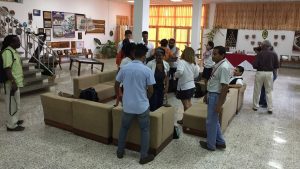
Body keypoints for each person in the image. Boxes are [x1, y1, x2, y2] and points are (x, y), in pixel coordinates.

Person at [115, 44, 156, 165]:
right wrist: (145, 99)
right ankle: (143, 156)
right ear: (144, 56)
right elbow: (151, 90)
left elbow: (116, 84)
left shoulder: (125, 68)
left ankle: (120, 152)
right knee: (144, 130)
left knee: (124, 128)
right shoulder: (147, 70)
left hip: (127, 105)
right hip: (142, 106)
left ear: (134, 54)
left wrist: (120, 97)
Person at [199, 46, 231, 151]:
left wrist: (219, 104)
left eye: (215, 54)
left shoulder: (224, 67)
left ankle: (211, 145)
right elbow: (214, 82)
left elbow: (225, 87)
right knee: (214, 120)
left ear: (222, 55)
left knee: (210, 122)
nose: (213, 56)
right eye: (213, 53)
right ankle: (220, 142)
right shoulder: (218, 64)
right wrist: (207, 94)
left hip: (216, 96)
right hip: (212, 94)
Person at [1, 35, 25, 131]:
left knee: (16, 103)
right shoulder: (7, 52)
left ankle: (14, 120)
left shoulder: (13, 52)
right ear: (11, 43)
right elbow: (7, 69)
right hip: (11, 83)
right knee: (12, 104)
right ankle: (11, 125)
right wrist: (13, 83)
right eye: (17, 41)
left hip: (16, 82)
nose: (19, 43)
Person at [252, 40, 279, 114]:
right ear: (269, 46)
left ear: (263, 46)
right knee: (269, 91)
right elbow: (276, 66)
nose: (260, 46)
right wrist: (275, 75)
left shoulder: (259, 54)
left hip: (260, 73)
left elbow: (254, 65)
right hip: (270, 73)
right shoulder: (274, 54)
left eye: (261, 45)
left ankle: (255, 107)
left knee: (257, 90)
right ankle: (270, 108)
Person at [175, 47, 200, 125]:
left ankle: (189, 121)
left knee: (186, 105)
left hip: (184, 86)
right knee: (189, 103)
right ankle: (185, 119)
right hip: (191, 85)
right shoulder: (194, 63)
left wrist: (175, 75)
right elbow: (196, 74)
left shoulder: (182, 62)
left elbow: (180, 72)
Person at [147, 47, 170, 111]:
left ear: (163, 56)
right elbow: (146, 77)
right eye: (157, 56)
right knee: (153, 104)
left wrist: (167, 87)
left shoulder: (166, 64)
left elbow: (167, 77)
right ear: (155, 56)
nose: (159, 57)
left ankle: (158, 119)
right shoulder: (150, 64)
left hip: (161, 87)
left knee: (160, 104)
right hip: (152, 87)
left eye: (160, 56)